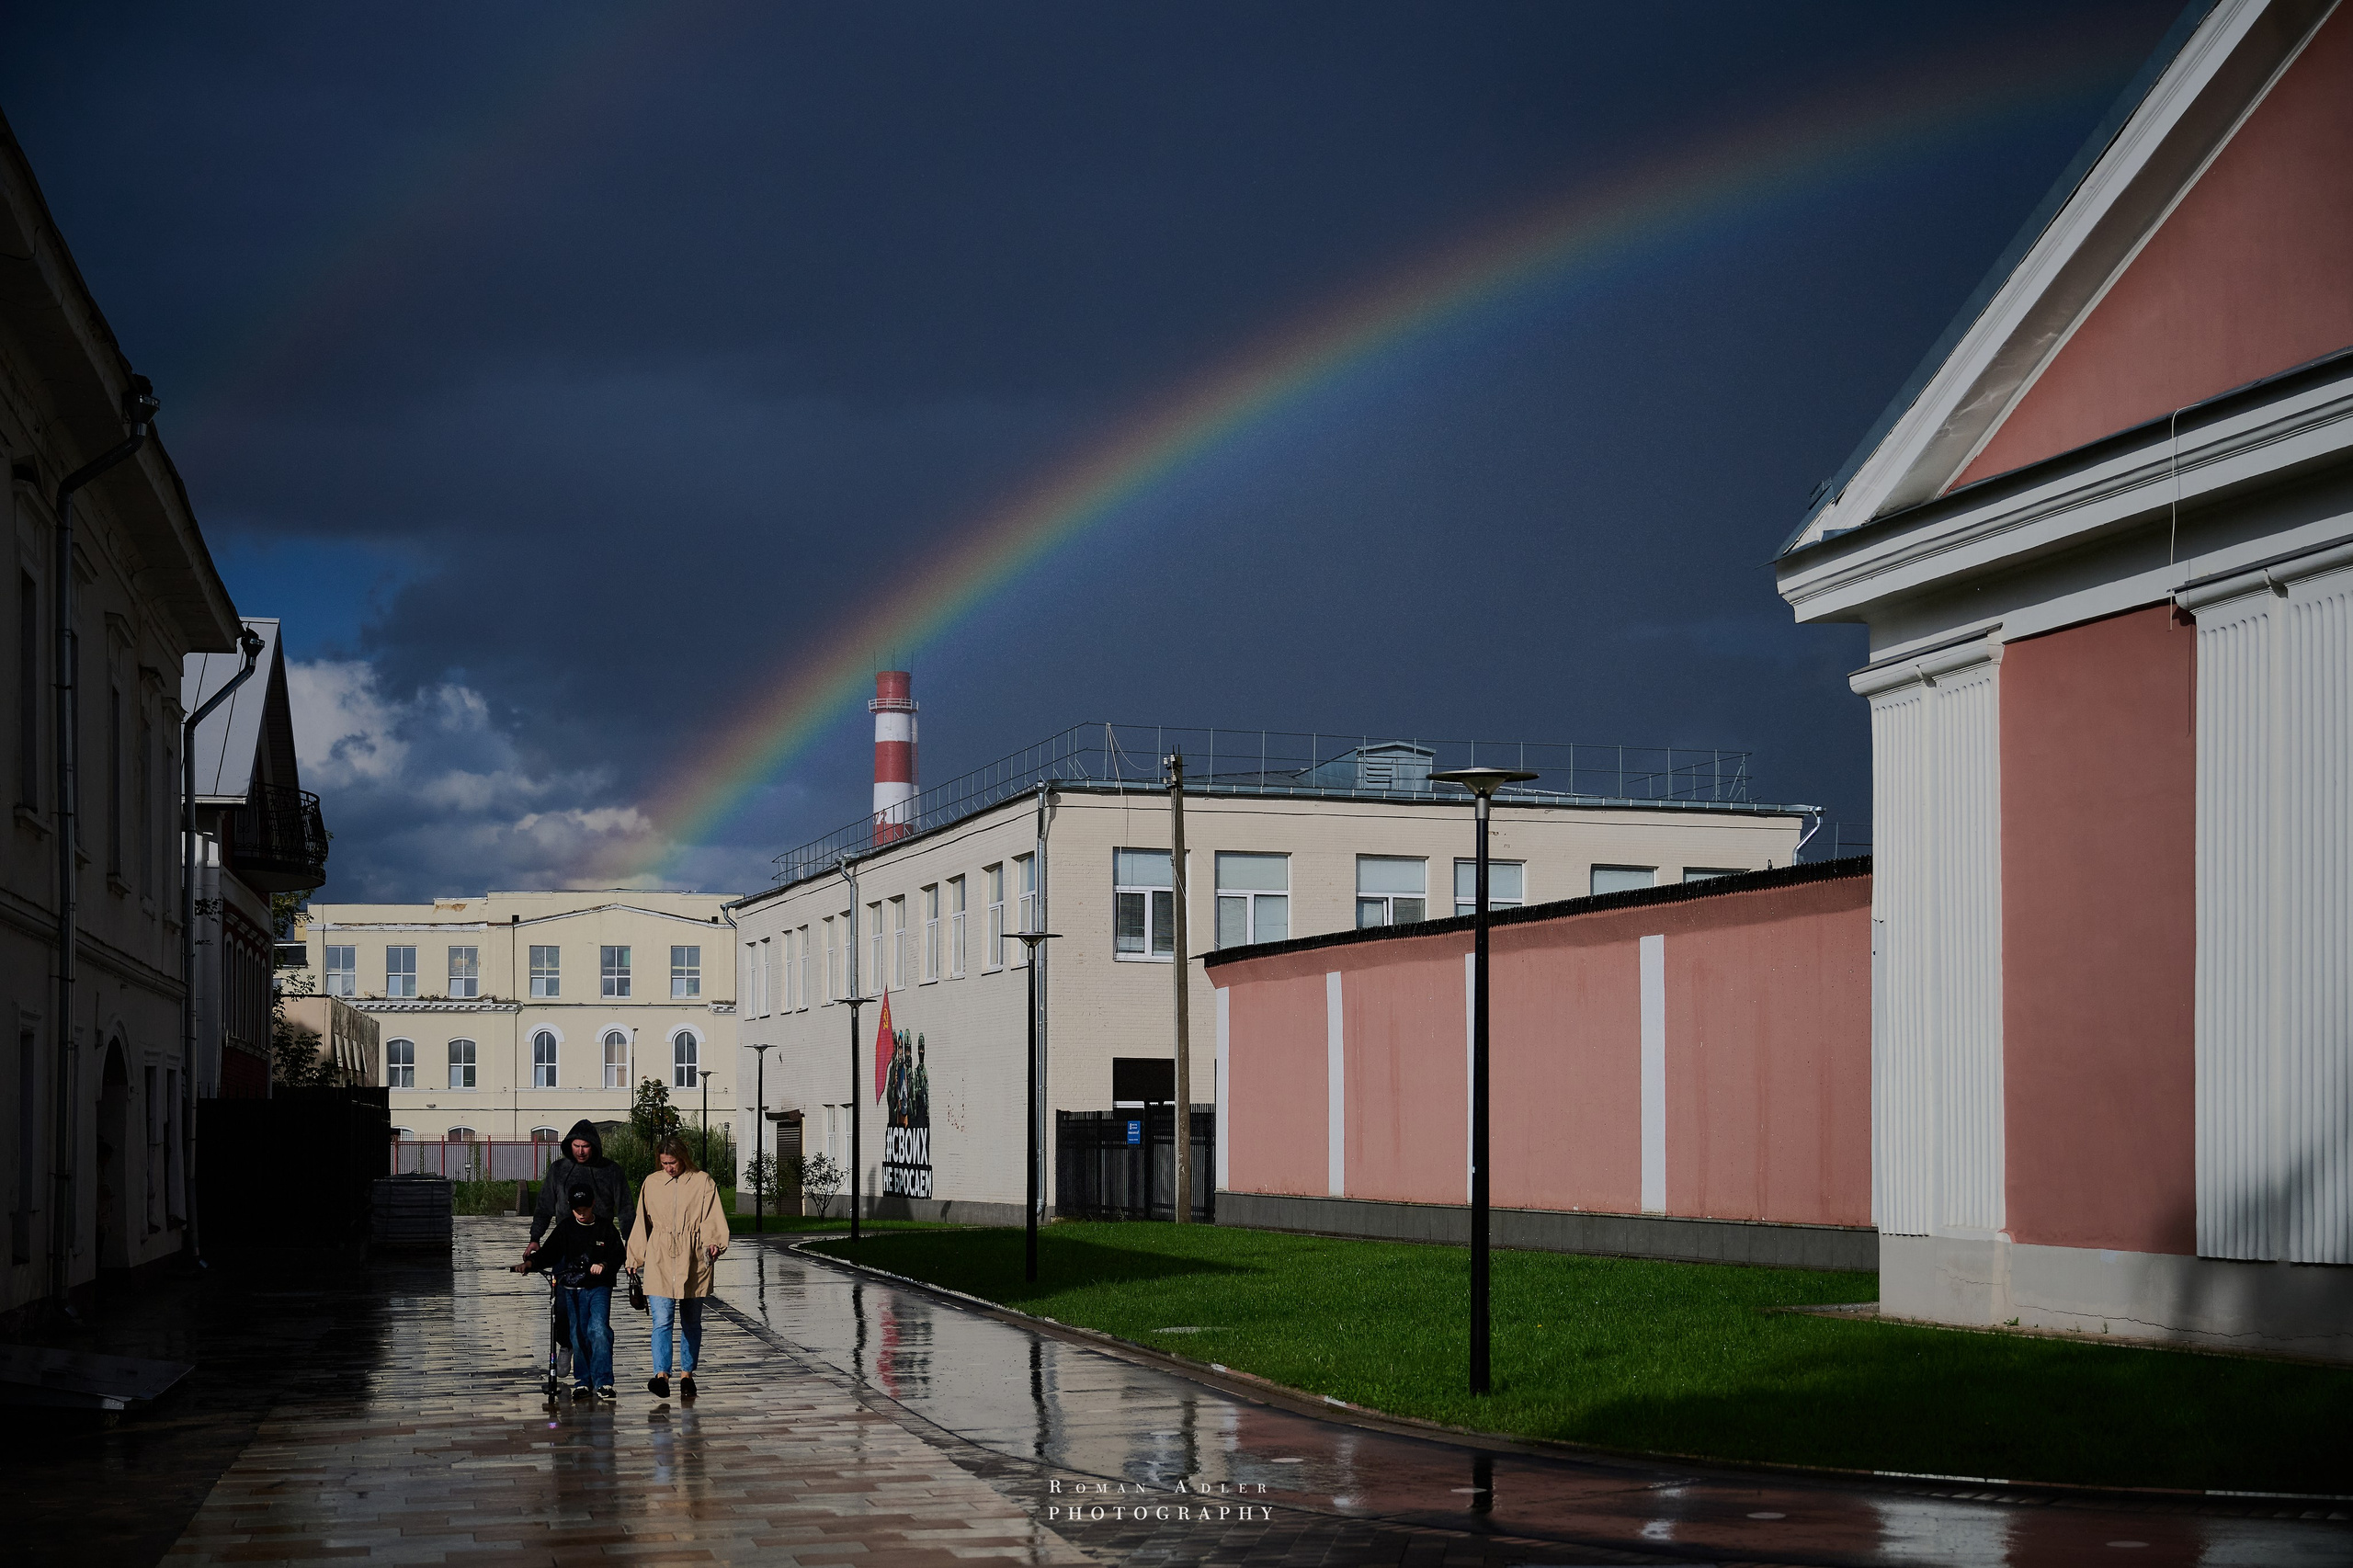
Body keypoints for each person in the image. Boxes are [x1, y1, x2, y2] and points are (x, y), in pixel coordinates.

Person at [625, 1135, 729, 1400]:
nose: (668, 1168)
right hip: (660, 1257)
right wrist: (634, 1258)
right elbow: (642, 1221)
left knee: (692, 1322)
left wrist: (714, 1242)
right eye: (664, 1163)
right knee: (662, 1321)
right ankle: (661, 1375)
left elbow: (712, 1216)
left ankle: (687, 1375)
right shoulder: (652, 1182)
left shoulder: (702, 1181)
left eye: (672, 1162)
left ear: (682, 1158)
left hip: (693, 1258)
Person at [536, 1184, 623, 1401]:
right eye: (576, 1209)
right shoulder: (565, 1228)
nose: (581, 1213)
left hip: (599, 1288)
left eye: (585, 1208)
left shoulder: (605, 1228)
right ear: (570, 1207)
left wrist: (603, 1264)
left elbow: (618, 1254)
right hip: (572, 1289)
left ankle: (604, 1382)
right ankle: (583, 1381)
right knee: (578, 1334)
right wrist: (529, 1264)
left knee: (598, 1329)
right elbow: (549, 1253)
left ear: (593, 1204)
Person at [526, 1120, 633, 1267]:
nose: (580, 1151)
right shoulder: (558, 1170)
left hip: (600, 1245)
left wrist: (630, 1241)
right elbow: (544, 1205)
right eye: (577, 1146)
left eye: (585, 1146)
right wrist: (535, 1238)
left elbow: (625, 1208)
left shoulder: (611, 1170)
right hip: (565, 1243)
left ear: (594, 1146)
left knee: (597, 1287)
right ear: (570, 1144)